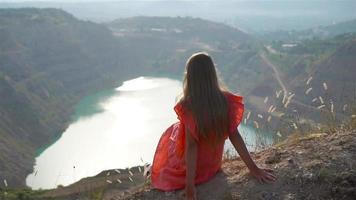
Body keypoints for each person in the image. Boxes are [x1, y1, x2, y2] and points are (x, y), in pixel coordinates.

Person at [151, 52, 276, 200]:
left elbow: (191, 147)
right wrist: (253, 169)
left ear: (190, 76)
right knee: (178, 128)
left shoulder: (187, 106)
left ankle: (150, 170)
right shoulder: (226, 100)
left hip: (193, 172)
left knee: (173, 131)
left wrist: (189, 185)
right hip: (212, 167)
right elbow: (234, 135)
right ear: (212, 73)